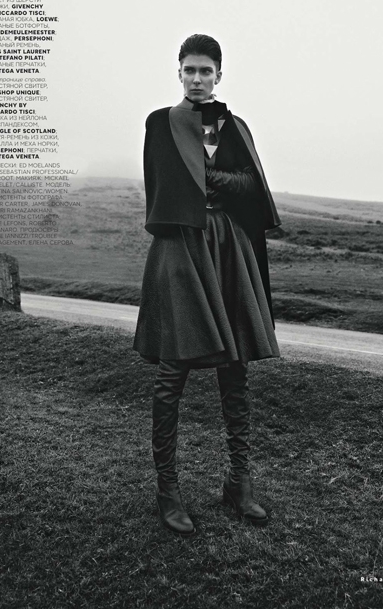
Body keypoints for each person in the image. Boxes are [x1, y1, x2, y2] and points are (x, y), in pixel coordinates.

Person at [133, 34, 281, 537]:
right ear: (178, 72)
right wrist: (223, 177)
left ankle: (239, 483)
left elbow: (254, 188)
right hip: (181, 248)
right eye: (189, 70)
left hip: (229, 249)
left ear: (219, 75)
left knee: (235, 368)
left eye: (206, 71)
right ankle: (168, 491)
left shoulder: (236, 126)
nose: (197, 79)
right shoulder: (160, 123)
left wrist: (212, 178)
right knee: (173, 370)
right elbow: (165, 190)